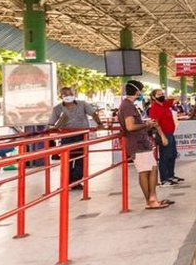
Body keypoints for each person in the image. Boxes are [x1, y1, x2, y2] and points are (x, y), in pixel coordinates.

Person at [118, 80, 171, 210]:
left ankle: (152, 199)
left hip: (139, 142)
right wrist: (146, 124)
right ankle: (151, 200)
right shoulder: (128, 106)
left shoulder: (127, 105)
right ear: (137, 92)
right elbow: (130, 126)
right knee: (149, 170)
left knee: (148, 170)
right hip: (137, 143)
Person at [49, 86, 105, 190]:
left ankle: (76, 182)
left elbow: (93, 113)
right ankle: (66, 182)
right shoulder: (57, 108)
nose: (68, 96)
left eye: (70, 94)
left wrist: (100, 124)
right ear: (61, 96)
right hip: (67, 136)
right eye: (65, 94)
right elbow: (51, 124)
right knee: (67, 160)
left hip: (81, 135)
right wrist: (58, 126)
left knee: (81, 158)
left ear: (73, 94)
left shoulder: (82, 104)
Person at [148, 88, 184, 186]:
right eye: (158, 94)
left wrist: (169, 97)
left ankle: (171, 175)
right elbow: (155, 124)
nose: (161, 96)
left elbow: (177, 98)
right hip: (163, 134)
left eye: (162, 94)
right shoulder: (154, 108)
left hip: (170, 133)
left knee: (172, 155)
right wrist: (163, 136)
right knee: (164, 157)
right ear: (153, 97)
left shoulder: (164, 104)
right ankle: (164, 179)